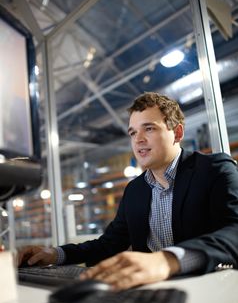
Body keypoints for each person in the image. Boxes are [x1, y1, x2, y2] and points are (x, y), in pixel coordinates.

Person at [17, 92, 238, 290]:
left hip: (213, 289)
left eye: (149, 128)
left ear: (177, 132)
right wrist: (55, 254)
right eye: (133, 133)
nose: (138, 140)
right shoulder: (136, 190)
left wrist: (168, 260)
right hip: (154, 293)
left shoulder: (215, 170)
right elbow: (108, 244)